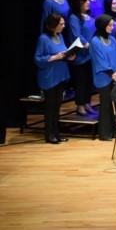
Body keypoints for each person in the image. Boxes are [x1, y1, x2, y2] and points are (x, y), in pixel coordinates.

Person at [34, 13, 74, 144]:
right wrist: (55, 57)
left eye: (63, 23)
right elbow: (38, 59)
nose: (63, 26)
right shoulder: (43, 38)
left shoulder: (60, 36)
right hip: (49, 77)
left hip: (60, 75)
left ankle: (56, 132)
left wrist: (68, 56)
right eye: (60, 24)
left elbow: (62, 52)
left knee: (57, 107)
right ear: (52, 26)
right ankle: (49, 134)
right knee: (50, 107)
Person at [89, 14, 116, 141]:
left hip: (115, 75)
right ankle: (104, 134)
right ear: (102, 26)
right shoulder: (95, 42)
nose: (112, 27)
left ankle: (113, 131)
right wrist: (111, 74)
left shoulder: (113, 40)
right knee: (105, 106)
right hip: (104, 78)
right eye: (110, 25)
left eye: (113, 25)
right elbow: (100, 61)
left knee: (114, 104)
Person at [68, 0, 97, 116]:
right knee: (81, 80)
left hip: (91, 55)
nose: (88, 3)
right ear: (79, 3)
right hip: (80, 54)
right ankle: (80, 105)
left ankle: (87, 103)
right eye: (85, 1)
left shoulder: (90, 16)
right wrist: (87, 45)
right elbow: (77, 35)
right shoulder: (74, 18)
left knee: (89, 81)